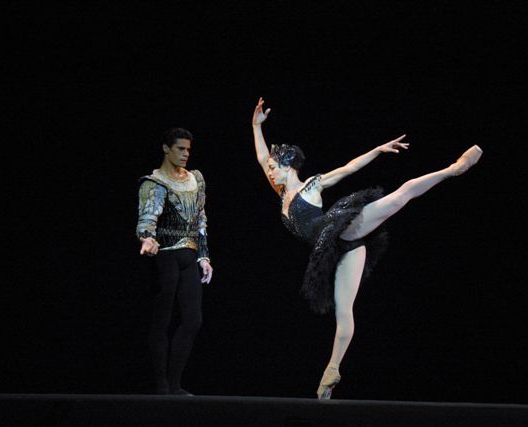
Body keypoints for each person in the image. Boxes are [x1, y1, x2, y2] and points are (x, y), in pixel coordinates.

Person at [251, 97, 482, 399]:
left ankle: (454, 169)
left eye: (273, 167)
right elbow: (260, 157)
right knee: (344, 312)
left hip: (341, 228)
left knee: (400, 196)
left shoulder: (312, 185)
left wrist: (378, 149)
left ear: (288, 167)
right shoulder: (281, 193)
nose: (268, 171)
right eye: (268, 168)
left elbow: (348, 168)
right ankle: (331, 373)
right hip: (338, 250)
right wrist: (256, 126)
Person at [136, 127, 213, 395]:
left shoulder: (196, 179)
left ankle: (175, 383)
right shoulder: (155, 182)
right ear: (166, 149)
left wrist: (204, 255)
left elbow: (200, 219)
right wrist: (146, 238)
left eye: (188, 149)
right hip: (165, 256)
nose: (185, 154)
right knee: (162, 320)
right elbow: (147, 217)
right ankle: (161, 385)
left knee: (193, 319)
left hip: (189, 255)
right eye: (180, 148)